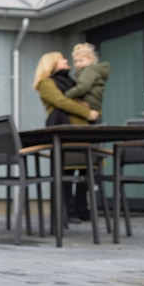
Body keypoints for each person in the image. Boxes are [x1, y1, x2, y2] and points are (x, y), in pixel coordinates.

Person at [33, 51, 100, 221]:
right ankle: (68, 210)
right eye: (62, 59)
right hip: (64, 129)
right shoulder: (46, 83)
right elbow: (61, 102)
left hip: (82, 129)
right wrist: (87, 112)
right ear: (53, 63)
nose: (66, 61)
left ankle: (82, 208)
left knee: (87, 169)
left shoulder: (72, 81)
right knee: (66, 170)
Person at [65, 42, 110, 122]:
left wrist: (67, 94)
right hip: (95, 103)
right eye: (75, 61)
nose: (78, 64)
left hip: (89, 103)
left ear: (90, 59)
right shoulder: (93, 70)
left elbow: (83, 87)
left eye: (81, 60)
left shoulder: (89, 70)